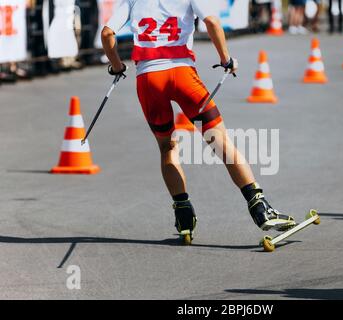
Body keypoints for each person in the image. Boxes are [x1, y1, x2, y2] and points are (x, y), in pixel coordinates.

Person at [101, 0, 296, 241]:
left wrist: (117, 66)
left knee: (167, 148)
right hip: (183, 74)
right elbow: (212, 21)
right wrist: (226, 59)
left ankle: (183, 211)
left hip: (149, 78)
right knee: (220, 141)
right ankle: (260, 208)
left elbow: (108, 33)